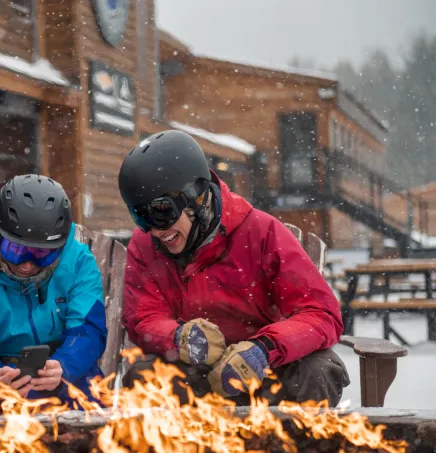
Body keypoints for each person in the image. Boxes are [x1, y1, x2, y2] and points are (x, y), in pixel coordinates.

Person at [118, 131, 349, 406]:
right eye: (140, 216)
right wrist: (179, 337)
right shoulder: (145, 246)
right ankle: (181, 449)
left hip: (271, 374)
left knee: (319, 371)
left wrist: (263, 350)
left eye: (161, 212)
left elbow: (321, 314)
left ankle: (299, 449)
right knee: (144, 376)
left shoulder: (262, 234)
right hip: (197, 379)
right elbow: (143, 317)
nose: (155, 230)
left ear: (197, 197)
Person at [0, 175, 107, 412]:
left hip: (68, 375)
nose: (27, 265)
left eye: (42, 254)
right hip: (3, 376)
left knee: (88, 392)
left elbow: (88, 330)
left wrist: (64, 366)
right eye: (16, 250)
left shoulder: (77, 262)